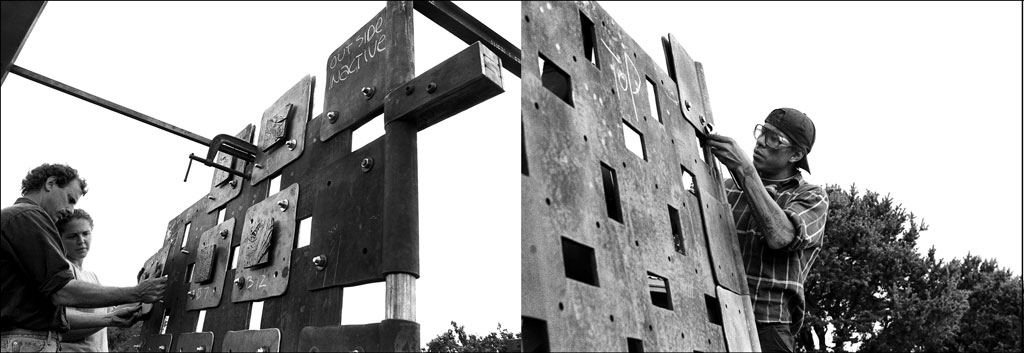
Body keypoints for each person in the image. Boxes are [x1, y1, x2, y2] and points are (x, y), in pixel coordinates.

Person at [1, 163, 167, 352]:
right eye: (70, 199)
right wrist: (137, 292)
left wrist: (109, 318)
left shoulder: (16, 219)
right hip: (26, 343)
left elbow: (49, 310)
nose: (71, 210)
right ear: (50, 183)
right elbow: (62, 291)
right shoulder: (27, 216)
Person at [706, 108, 829, 352]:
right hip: (713, 309)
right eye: (762, 132)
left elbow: (781, 236)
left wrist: (745, 171)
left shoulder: (812, 197)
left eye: (774, 139)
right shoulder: (726, 187)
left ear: (795, 154)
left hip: (768, 327)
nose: (761, 142)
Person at [56, 209, 118, 352]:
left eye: (85, 233)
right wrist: (110, 319)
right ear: (59, 238)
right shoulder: (63, 271)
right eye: (72, 236)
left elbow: (114, 312)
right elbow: (61, 327)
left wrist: (143, 283)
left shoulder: (92, 276)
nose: (81, 241)